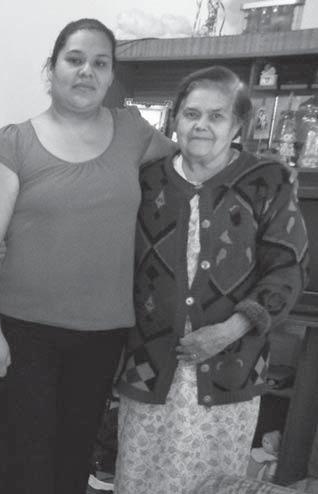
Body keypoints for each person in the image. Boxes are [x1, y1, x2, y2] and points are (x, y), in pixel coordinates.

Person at [0, 18, 175, 494]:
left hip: (103, 332)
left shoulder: (133, 132)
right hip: (25, 331)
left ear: (111, 75)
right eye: (75, 59)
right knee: (23, 459)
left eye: (100, 63)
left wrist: (254, 170)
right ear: (52, 68)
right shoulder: (14, 141)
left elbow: (189, 165)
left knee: (75, 454)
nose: (87, 72)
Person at [115, 66, 308, 493]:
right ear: (175, 120)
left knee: (213, 483)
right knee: (141, 479)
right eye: (191, 114)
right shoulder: (147, 180)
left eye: (216, 116)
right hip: (150, 366)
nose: (201, 125)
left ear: (238, 125)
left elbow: (288, 268)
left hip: (229, 366)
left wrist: (229, 330)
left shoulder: (268, 181)